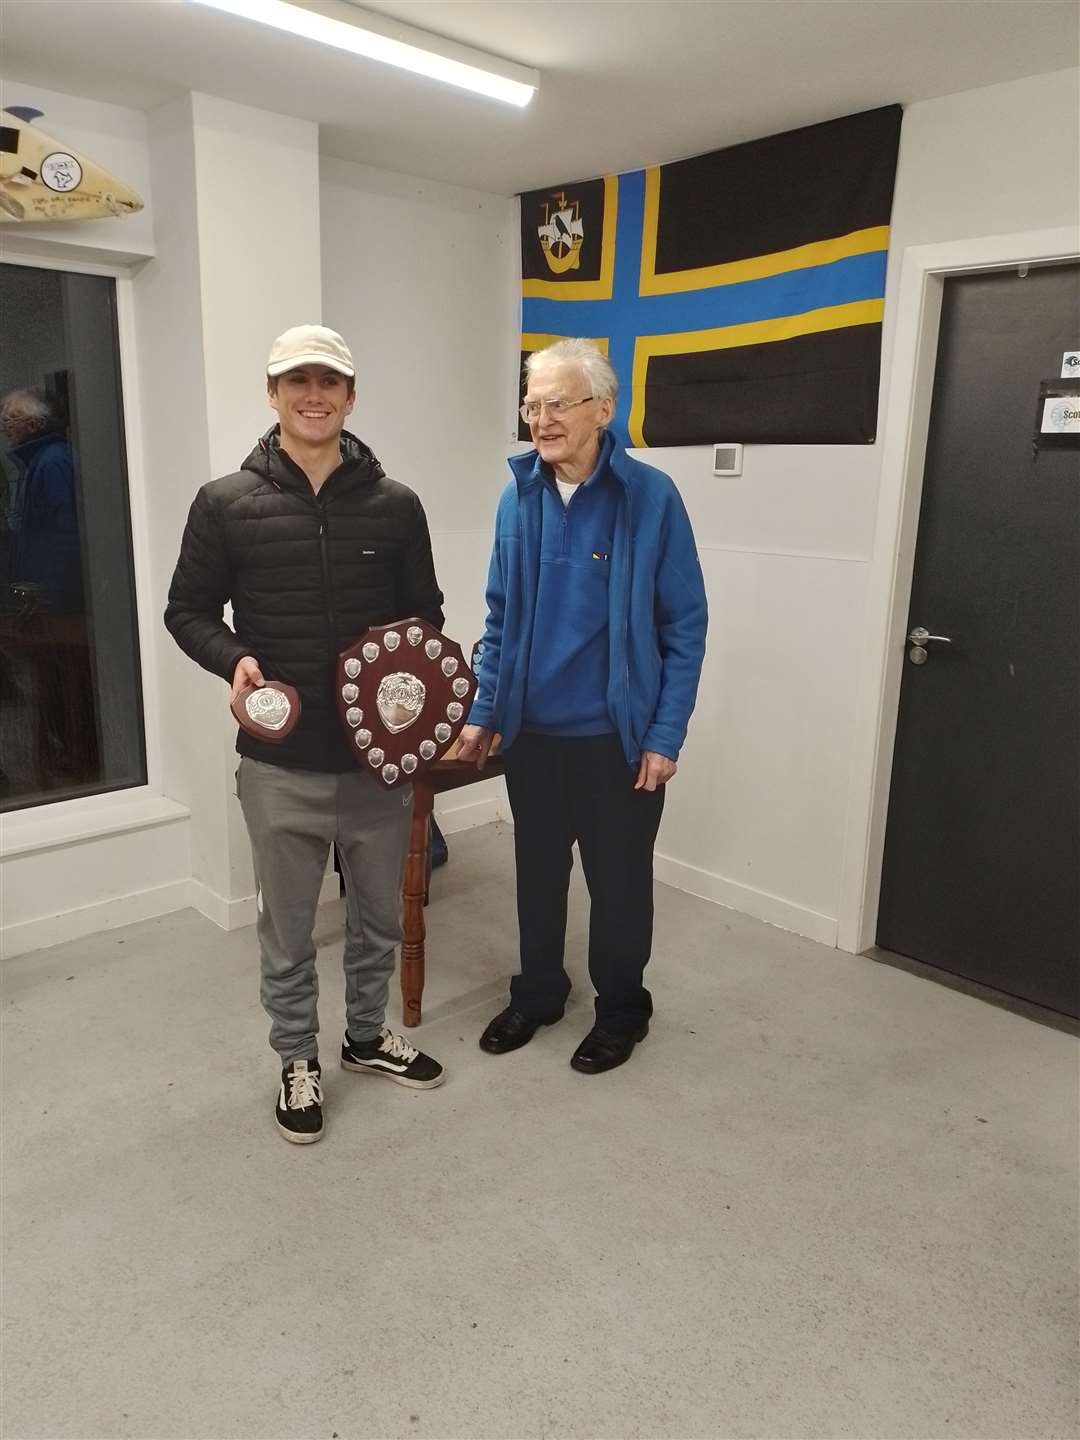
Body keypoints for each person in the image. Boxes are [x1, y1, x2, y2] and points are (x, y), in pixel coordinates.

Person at [165, 325, 446, 1144]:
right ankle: (297, 1057)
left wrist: (414, 699)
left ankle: (365, 1036)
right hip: (280, 759)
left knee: (378, 919)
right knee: (287, 926)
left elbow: (423, 617)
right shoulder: (225, 503)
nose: (313, 395)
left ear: (351, 397)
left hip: (376, 762)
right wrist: (237, 661)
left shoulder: (396, 505)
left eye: (329, 382)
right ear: (273, 393)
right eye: (297, 382)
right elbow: (188, 611)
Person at [458, 339, 708, 1074]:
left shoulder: (651, 497)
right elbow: (499, 618)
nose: (540, 419)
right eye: (531, 405)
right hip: (532, 736)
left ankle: (623, 1007)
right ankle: (538, 994)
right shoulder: (519, 495)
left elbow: (684, 625)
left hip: (615, 740)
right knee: (536, 875)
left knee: (620, 885)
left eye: (556, 403)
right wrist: (485, 709)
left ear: (602, 409)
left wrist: (665, 734)